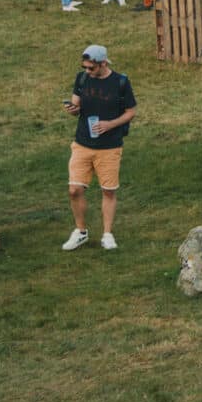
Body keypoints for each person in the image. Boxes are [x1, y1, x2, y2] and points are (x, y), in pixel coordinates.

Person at [60, 45, 137, 251]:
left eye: (91, 68)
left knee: (108, 191)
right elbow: (77, 106)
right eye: (85, 67)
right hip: (82, 143)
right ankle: (81, 231)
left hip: (110, 146)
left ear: (103, 64)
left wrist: (109, 124)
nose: (87, 71)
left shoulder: (120, 82)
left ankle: (107, 234)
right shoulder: (82, 79)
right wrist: (72, 109)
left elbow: (131, 111)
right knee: (74, 189)